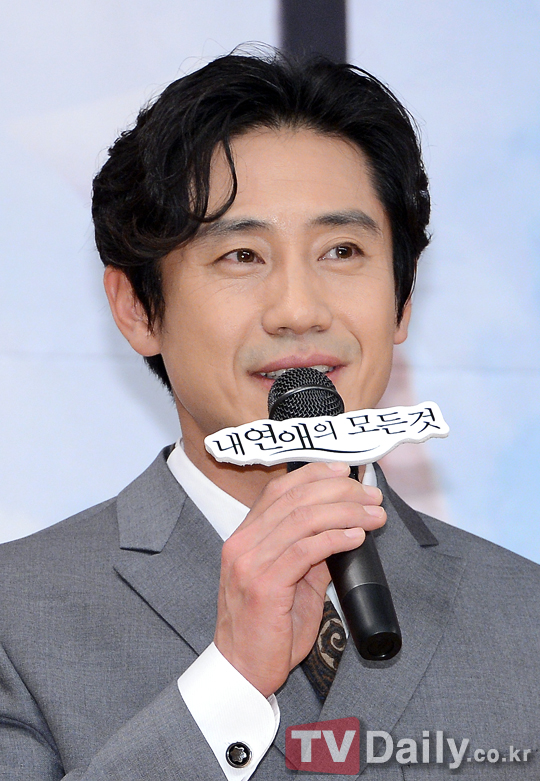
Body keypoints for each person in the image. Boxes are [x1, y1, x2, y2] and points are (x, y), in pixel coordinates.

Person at [1, 49, 539, 781]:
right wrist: (228, 687)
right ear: (137, 309)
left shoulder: (524, 613)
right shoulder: (16, 615)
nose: (298, 309)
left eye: (341, 250)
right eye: (242, 256)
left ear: (403, 300)